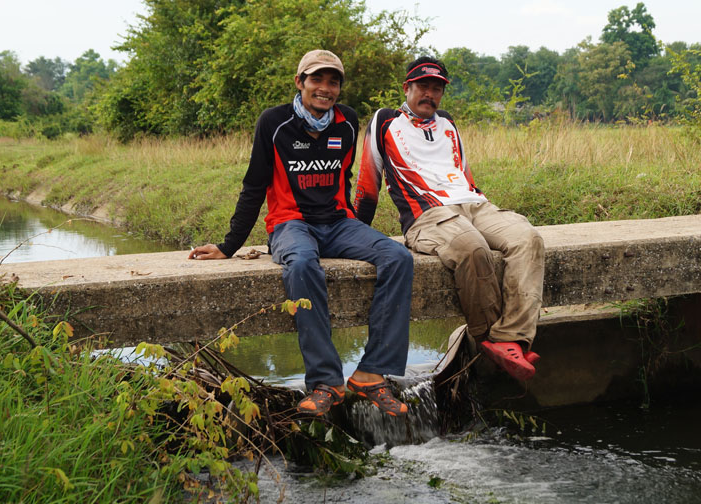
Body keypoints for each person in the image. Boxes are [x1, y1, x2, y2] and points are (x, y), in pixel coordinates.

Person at [189, 50, 412, 417]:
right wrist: (229, 246)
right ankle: (326, 382)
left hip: (339, 223)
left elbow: (345, 178)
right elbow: (254, 187)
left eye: (333, 81)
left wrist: (359, 231)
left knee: (398, 256)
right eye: (317, 80)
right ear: (300, 82)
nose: (325, 89)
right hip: (291, 224)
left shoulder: (347, 122)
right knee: (303, 265)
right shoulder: (274, 123)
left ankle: (371, 373)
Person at [354, 56, 545, 381]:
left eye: (437, 88)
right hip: (426, 215)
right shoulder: (386, 121)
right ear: (407, 87)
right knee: (472, 248)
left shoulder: (448, 123)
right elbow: (367, 185)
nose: (430, 94)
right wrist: (357, 235)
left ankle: (512, 338)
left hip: (473, 205)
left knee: (529, 239)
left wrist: (478, 203)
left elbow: (463, 175)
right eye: (423, 87)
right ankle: (488, 338)